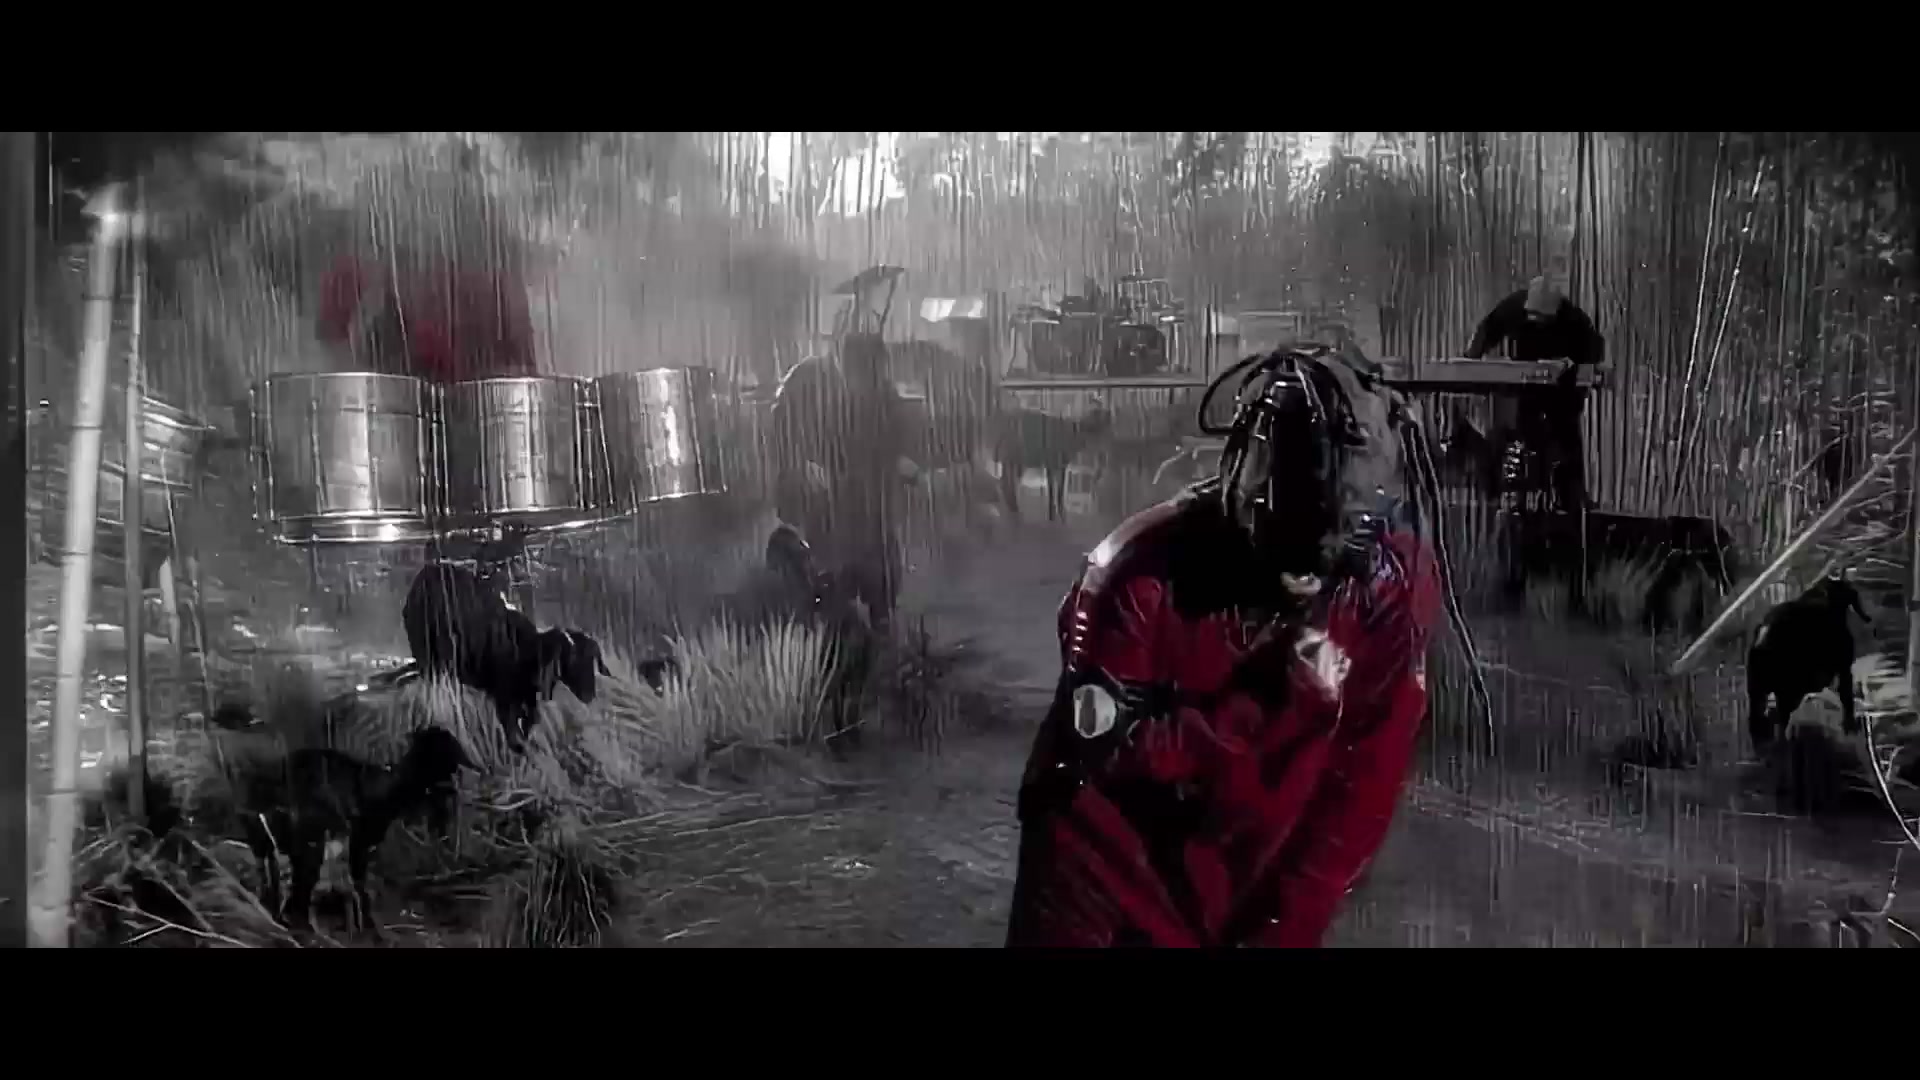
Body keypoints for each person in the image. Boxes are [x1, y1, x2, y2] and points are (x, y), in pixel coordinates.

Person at [1005, 347, 1444, 948]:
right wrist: (1265, 705)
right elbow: (1107, 758)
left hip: (1234, 888)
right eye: (1292, 548)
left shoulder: (1386, 592)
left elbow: (1359, 794)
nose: (1305, 579)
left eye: (1330, 554)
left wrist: (1280, 931)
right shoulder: (1136, 576)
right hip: (1099, 883)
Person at [770, 332, 920, 631]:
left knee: (873, 571)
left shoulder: (880, 397)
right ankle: (844, 623)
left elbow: (895, 442)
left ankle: (872, 620)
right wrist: (805, 467)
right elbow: (801, 440)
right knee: (842, 576)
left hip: (866, 506)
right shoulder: (824, 396)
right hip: (838, 508)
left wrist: (899, 461)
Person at [1463, 276, 1604, 512]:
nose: (1536, 321)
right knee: (1524, 431)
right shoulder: (1514, 306)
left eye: (1542, 318)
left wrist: (1577, 365)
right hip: (1526, 380)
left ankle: (1571, 495)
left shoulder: (1572, 318)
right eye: (1532, 316)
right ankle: (1515, 494)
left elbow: (1593, 347)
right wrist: (1471, 357)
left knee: (1566, 435)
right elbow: (1488, 329)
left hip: (1561, 383)